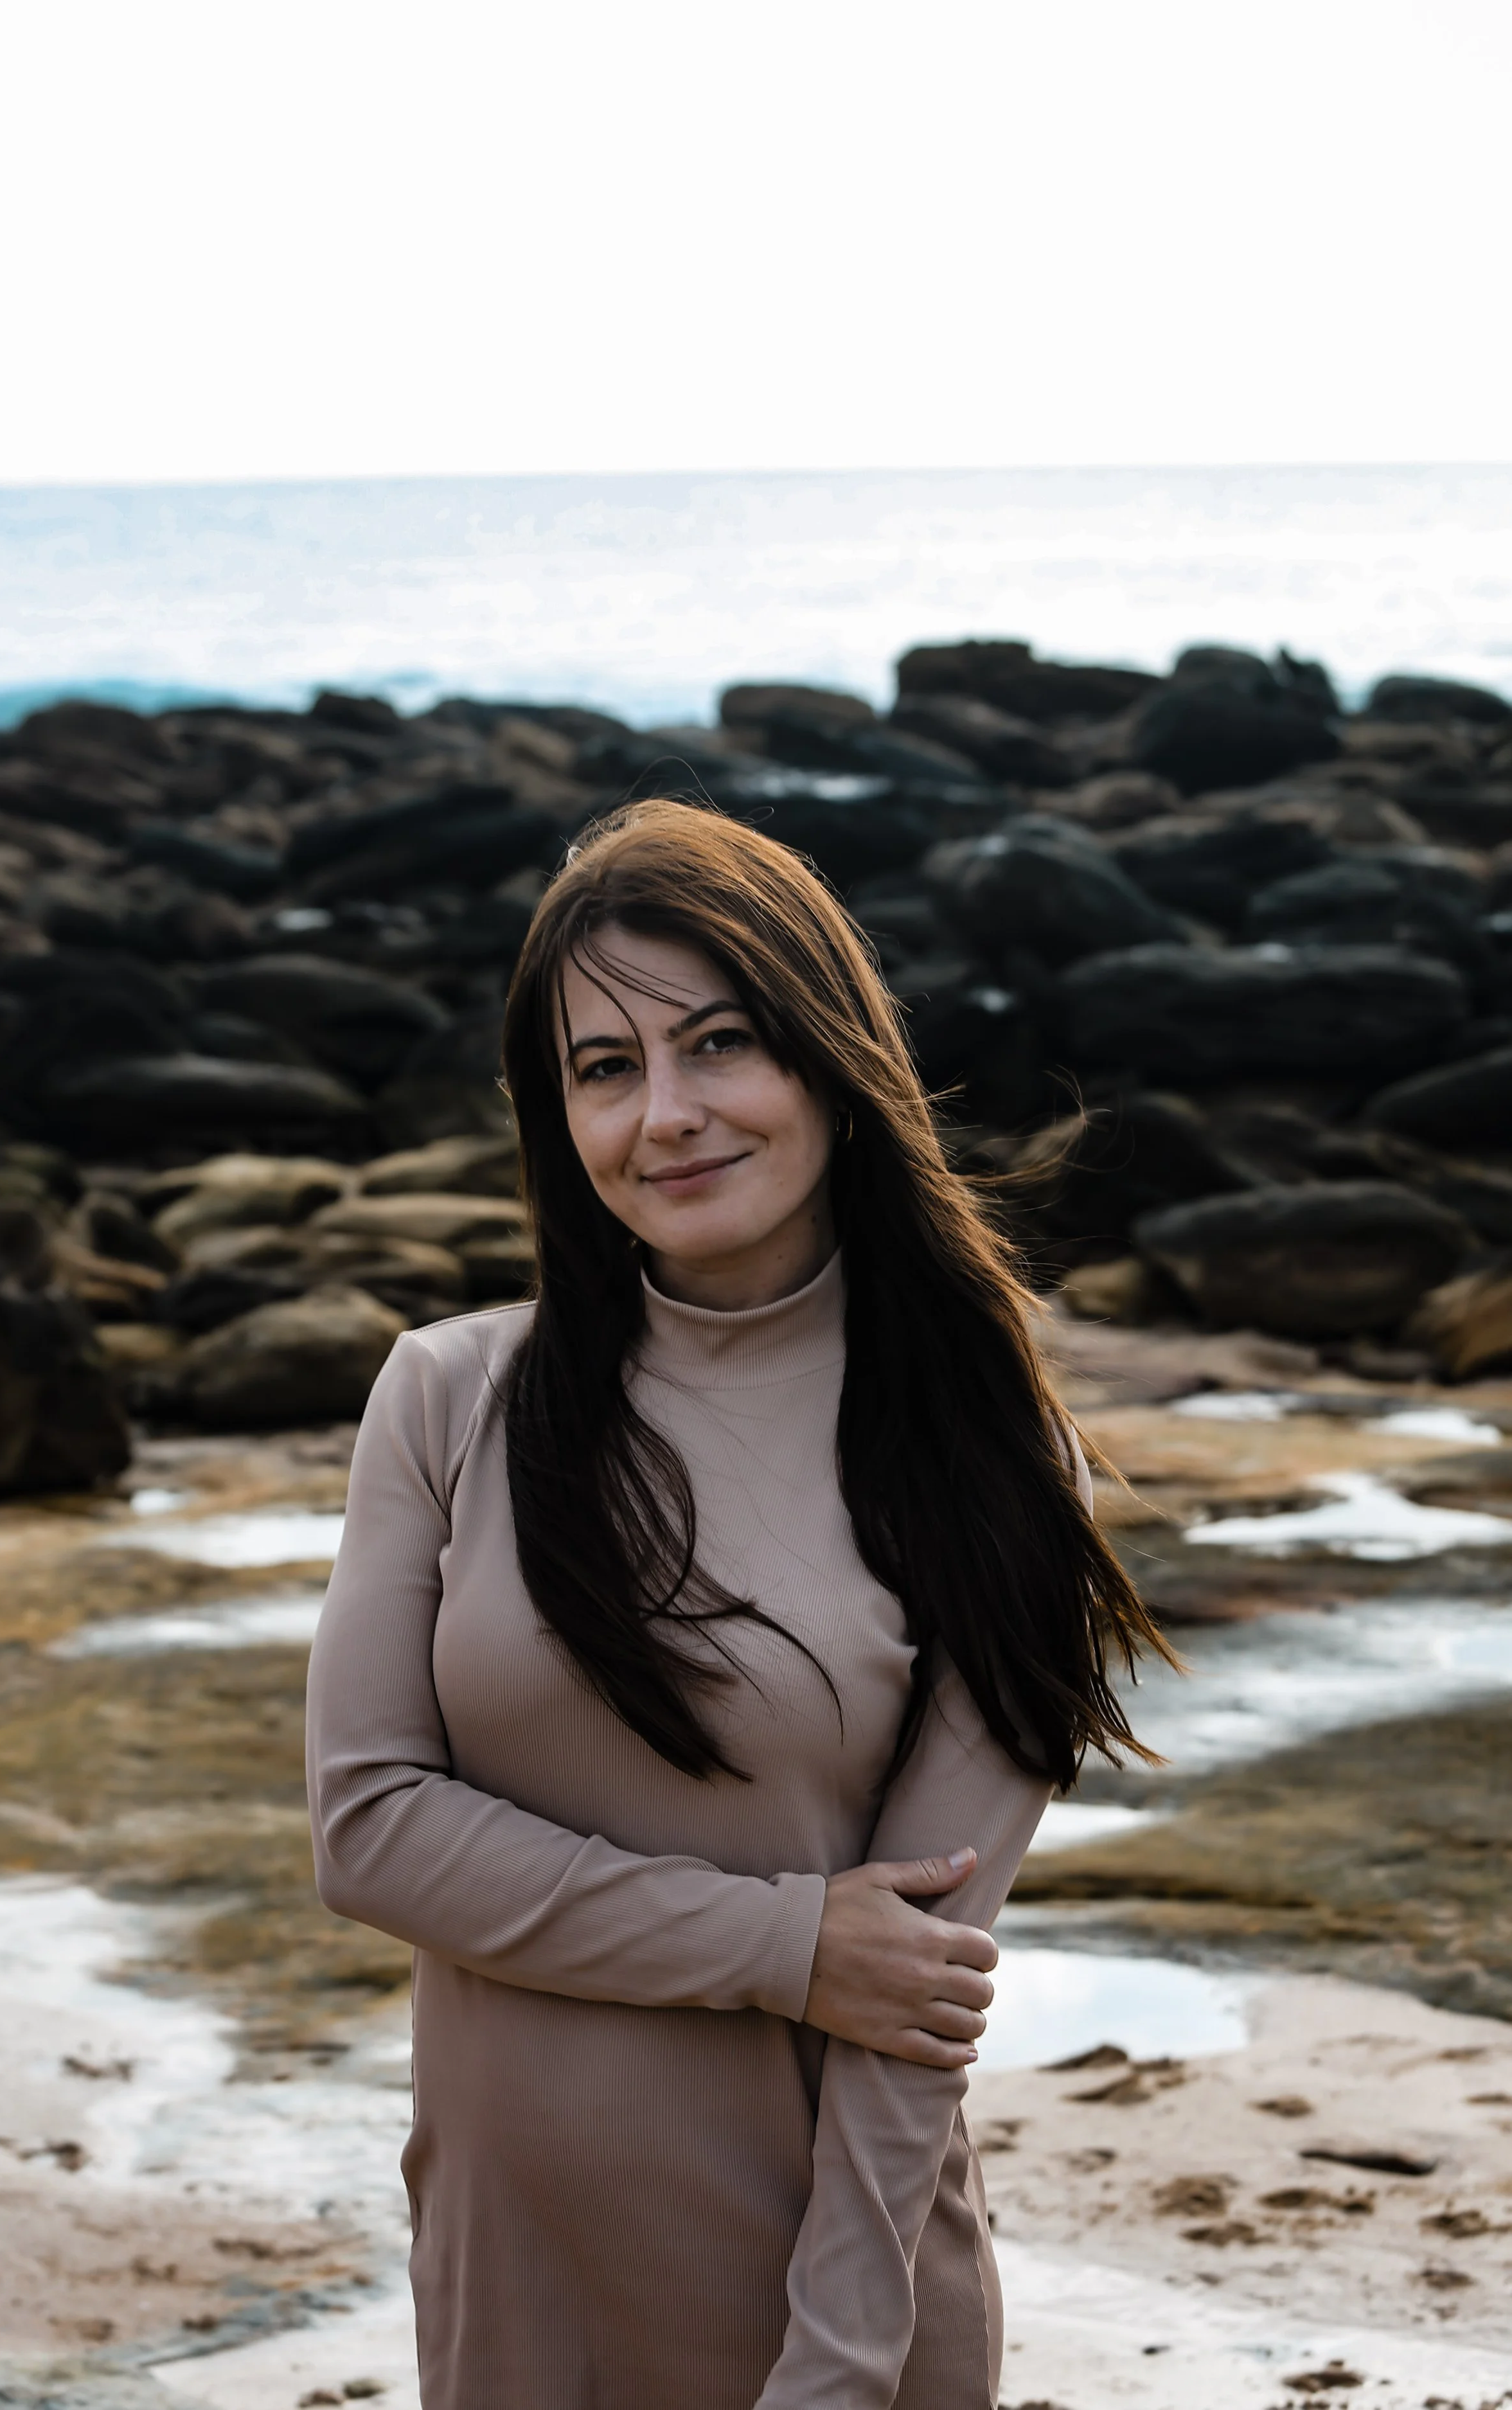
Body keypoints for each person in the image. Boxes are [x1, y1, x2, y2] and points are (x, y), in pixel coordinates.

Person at [305, 797, 1166, 2409]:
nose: (670, 1115)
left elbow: (912, 1998)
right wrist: (779, 1942)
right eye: (606, 1069)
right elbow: (369, 1830)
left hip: (825, 2312)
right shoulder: (447, 1398)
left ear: (827, 1057)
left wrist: (832, 2375)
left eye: (719, 1045)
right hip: (511, 2280)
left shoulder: (982, 1452)